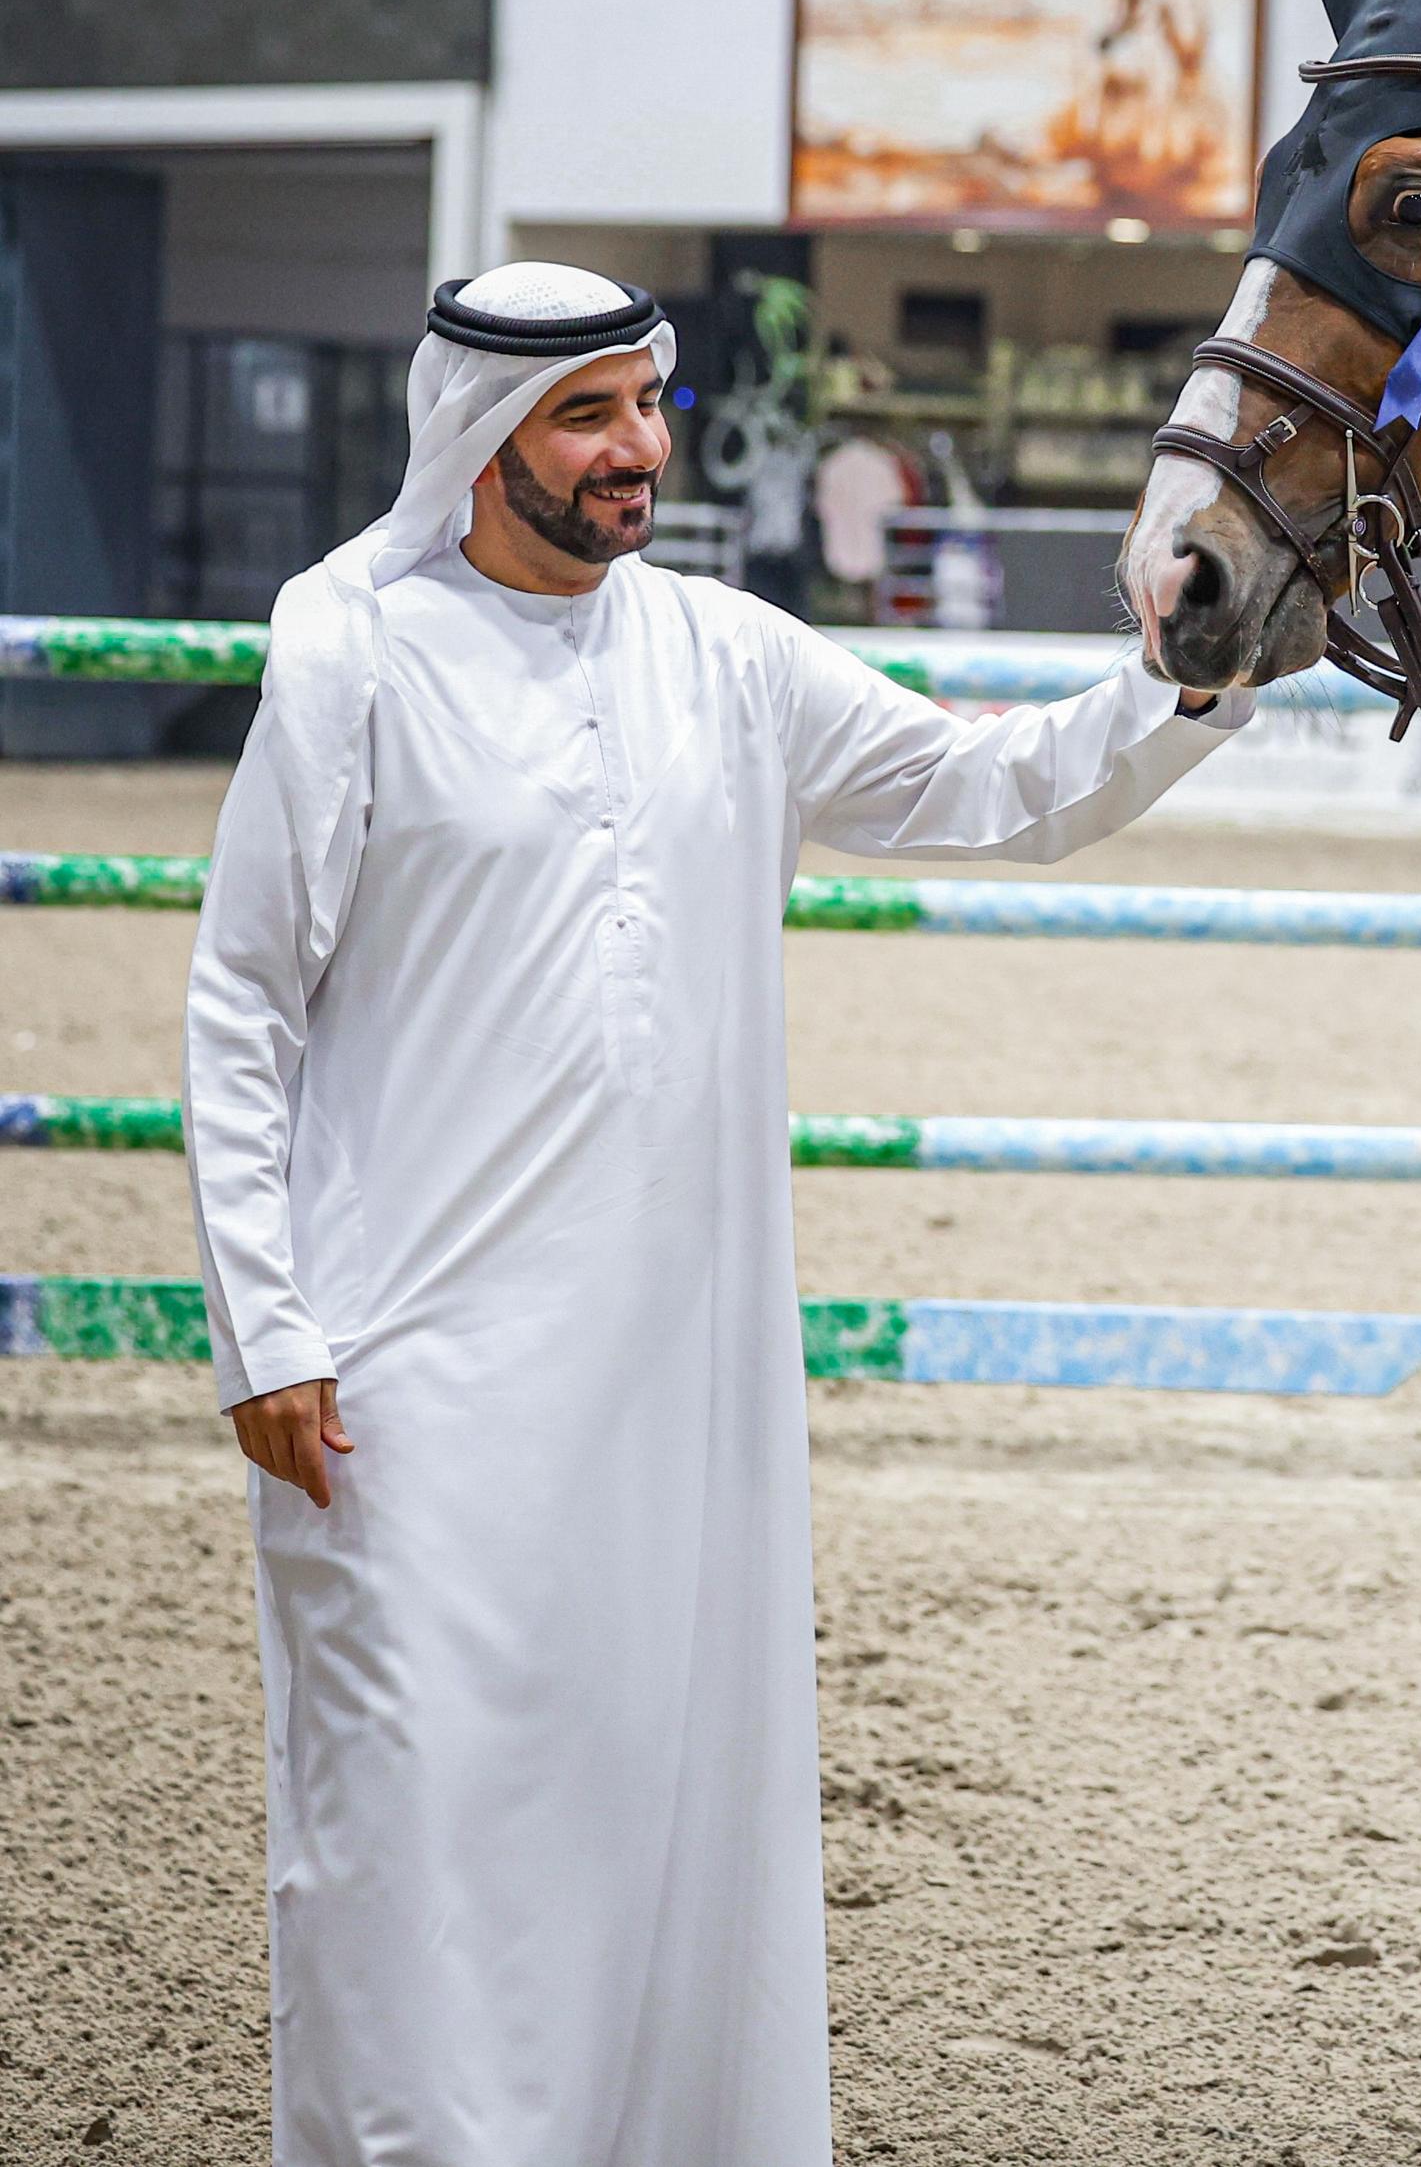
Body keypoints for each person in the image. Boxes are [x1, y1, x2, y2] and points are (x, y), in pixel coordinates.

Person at [185, 260, 1252, 2166]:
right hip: (400, 1381)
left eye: (646, 408)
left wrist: (1189, 679)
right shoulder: (348, 643)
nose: (638, 450)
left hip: (677, 1392)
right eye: (590, 414)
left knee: (654, 1816)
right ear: (480, 435)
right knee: (410, 1827)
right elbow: (243, 1000)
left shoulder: (728, 654)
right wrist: (268, 1324)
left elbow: (988, 783)